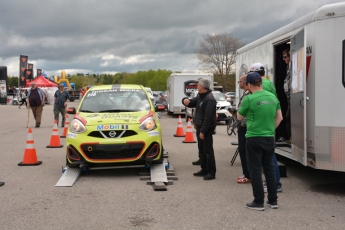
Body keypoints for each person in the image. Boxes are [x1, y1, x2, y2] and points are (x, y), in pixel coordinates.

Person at [237, 72, 283, 211]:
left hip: (253, 138)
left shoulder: (249, 99)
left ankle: (258, 202)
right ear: (260, 84)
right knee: (269, 169)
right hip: (269, 138)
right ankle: (273, 200)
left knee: (255, 170)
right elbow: (279, 118)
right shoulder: (273, 97)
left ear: (249, 85)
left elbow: (239, 117)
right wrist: (270, 129)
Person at [249, 62, 283, 193]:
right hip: (268, 124)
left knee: (269, 158)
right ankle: (274, 182)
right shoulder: (268, 82)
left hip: (265, 127)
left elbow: (265, 105)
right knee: (268, 156)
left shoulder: (264, 85)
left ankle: (275, 183)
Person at [182, 78, 217, 180]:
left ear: (202, 86)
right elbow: (192, 103)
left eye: (198, 85)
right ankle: (204, 169)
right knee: (201, 150)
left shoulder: (209, 99)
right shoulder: (200, 96)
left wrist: (203, 131)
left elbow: (208, 117)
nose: (197, 86)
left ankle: (211, 172)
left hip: (205, 129)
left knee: (208, 151)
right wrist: (186, 101)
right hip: (200, 126)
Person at [236, 75, 251, 184]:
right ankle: (247, 174)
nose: (239, 83)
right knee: (243, 150)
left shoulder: (249, 95)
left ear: (245, 82)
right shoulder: (246, 94)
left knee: (244, 150)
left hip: (244, 127)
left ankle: (248, 175)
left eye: (239, 81)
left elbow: (246, 113)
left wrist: (242, 124)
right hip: (243, 126)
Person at [283, 49, 291, 143]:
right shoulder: (287, 67)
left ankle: (292, 137)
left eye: (285, 57)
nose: (283, 59)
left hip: (292, 97)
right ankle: (290, 136)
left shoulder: (293, 66)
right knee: (288, 116)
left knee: (288, 116)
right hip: (288, 97)